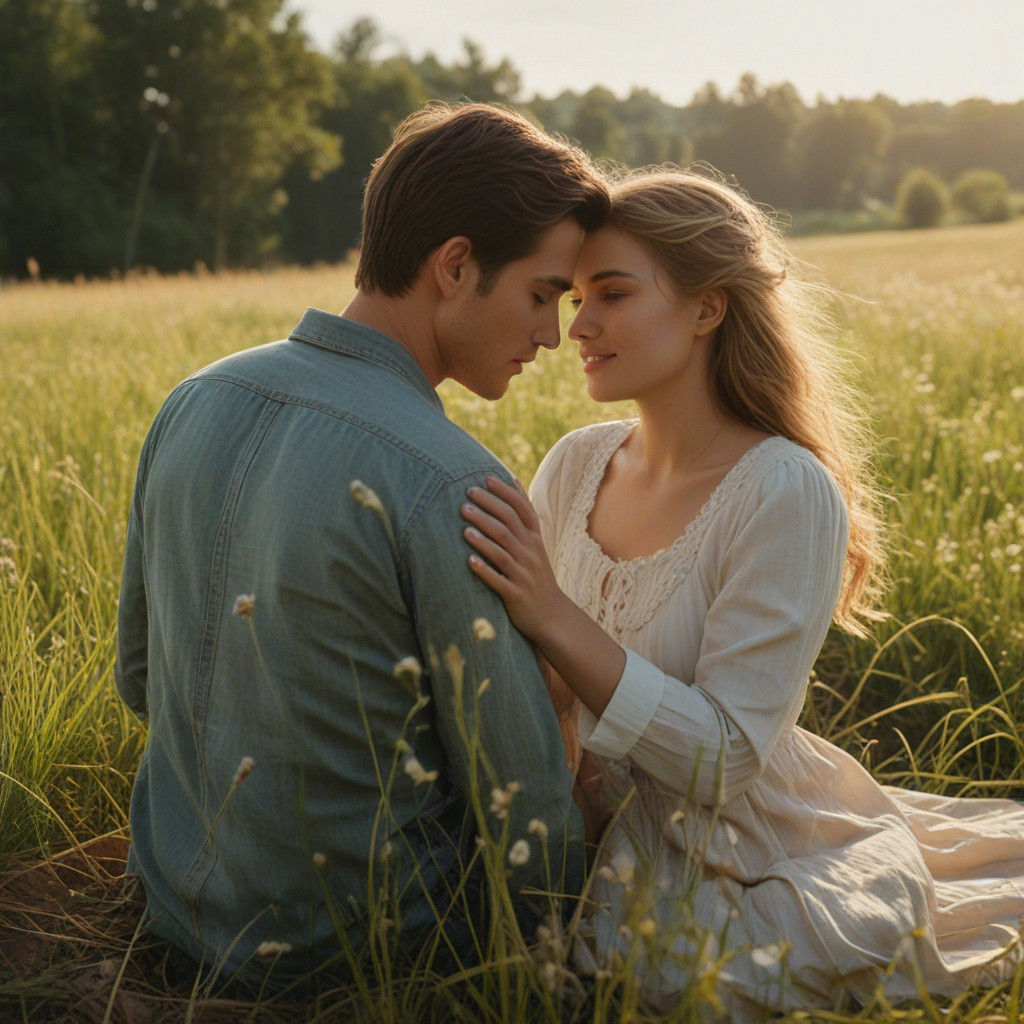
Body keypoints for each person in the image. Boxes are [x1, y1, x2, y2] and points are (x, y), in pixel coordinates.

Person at [460, 169, 1024, 1019]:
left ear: (707, 307)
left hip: (731, 839)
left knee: (676, 976)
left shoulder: (784, 490)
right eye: (576, 297)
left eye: (612, 294)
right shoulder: (575, 463)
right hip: (563, 822)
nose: (579, 326)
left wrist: (555, 616)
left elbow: (723, 761)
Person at [114, 101, 609, 992]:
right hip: (360, 945)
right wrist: (549, 952)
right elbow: (524, 808)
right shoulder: (451, 483)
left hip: (173, 900)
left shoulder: (191, 399)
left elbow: (139, 678)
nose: (551, 334)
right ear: (456, 267)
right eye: (543, 294)